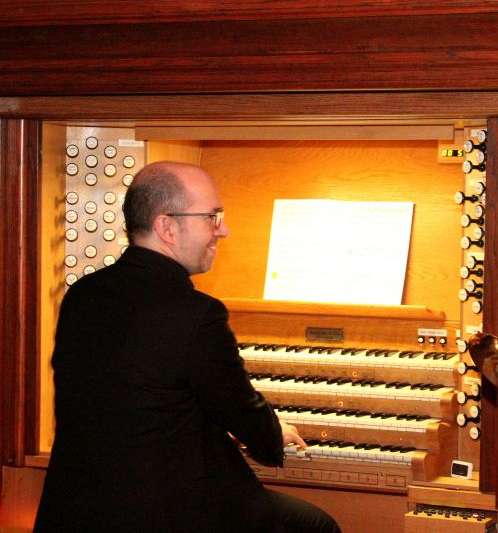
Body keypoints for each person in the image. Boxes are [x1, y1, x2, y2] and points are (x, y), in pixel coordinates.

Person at [34, 161, 340, 533]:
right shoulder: (196, 313)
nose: (223, 230)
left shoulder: (83, 295)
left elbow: (136, 394)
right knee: (316, 526)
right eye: (212, 217)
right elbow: (239, 407)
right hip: (165, 510)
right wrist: (272, 434)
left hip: (76, 505)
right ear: (167, 227)